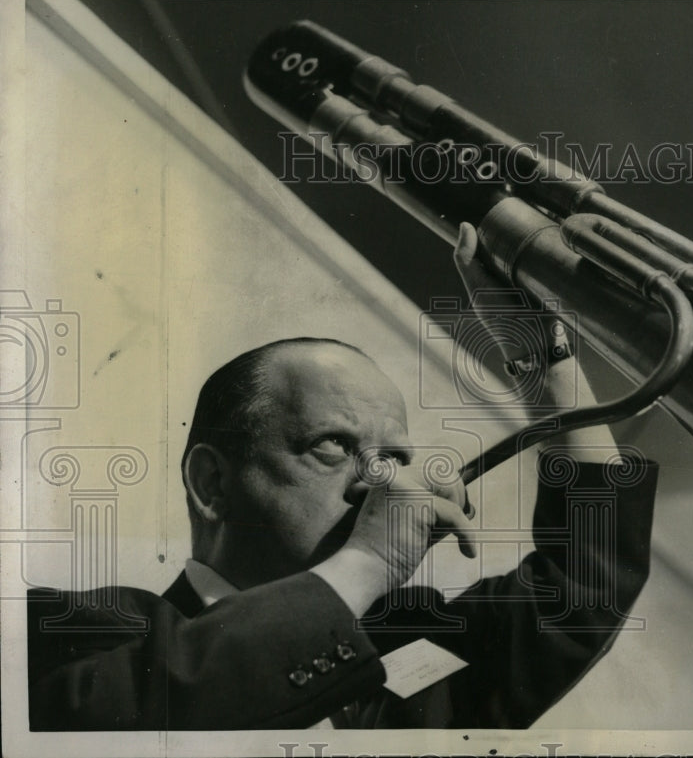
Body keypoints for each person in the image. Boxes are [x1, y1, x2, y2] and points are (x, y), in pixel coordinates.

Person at [27, 225, 659, 730]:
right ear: (211, 485)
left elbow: (584, 587)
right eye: (334, 446)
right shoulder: (76, 633)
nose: (382, 485)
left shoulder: (406, 642)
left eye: (396, 460)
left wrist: (540, 357)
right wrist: (371, 558)